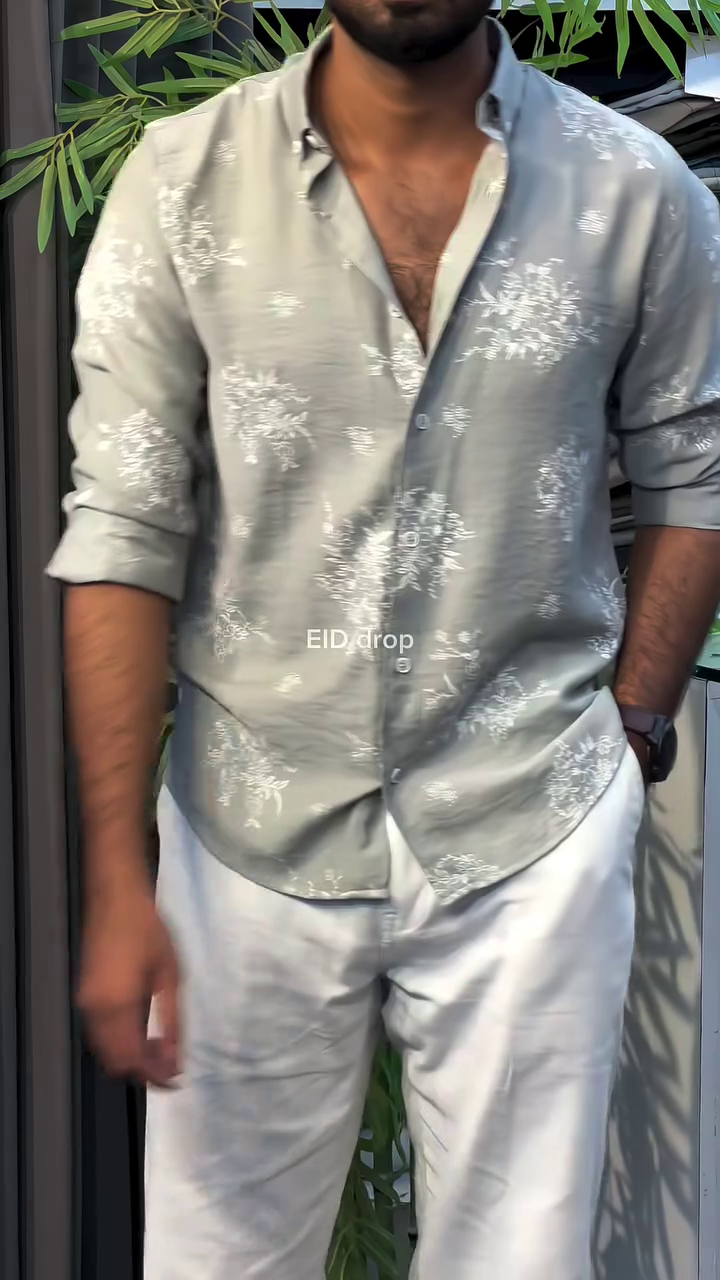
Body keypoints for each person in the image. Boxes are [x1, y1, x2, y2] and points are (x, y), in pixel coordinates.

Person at [48, 0, 720, 1272]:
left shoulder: (637, 190)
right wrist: (119, 879)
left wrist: (634, 727)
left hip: (532, 822)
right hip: (247, 831)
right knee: (217, 1259)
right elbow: (125, 532)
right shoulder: (182, 179)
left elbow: (697, 476)